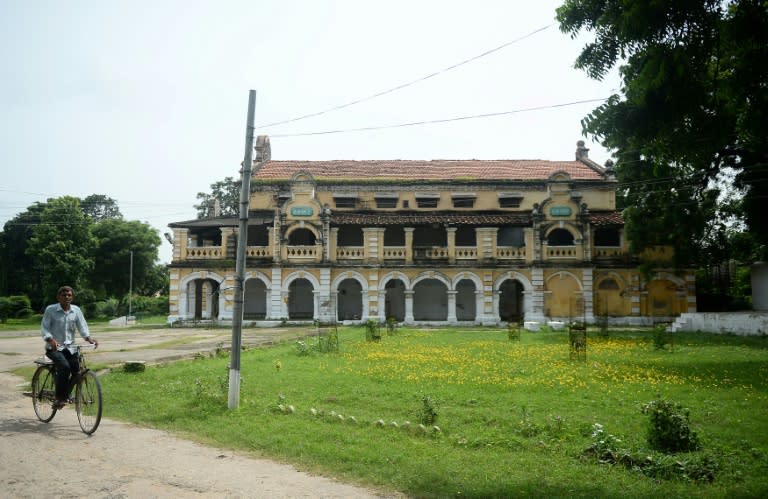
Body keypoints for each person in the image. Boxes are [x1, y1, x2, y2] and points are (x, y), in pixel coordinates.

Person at [40, 286, 98, 409]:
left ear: (72, 297)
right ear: (58, 297)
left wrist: (88, 338)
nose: (67, 297)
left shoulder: (76, 310)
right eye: (64, 295)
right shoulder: (51, 310)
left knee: (77, 372)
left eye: (69, 295)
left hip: (71, 349)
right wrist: (50, 339)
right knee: (65, 367)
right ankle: (59, 398)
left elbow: (82, 326)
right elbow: (44, 327)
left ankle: (66, 395)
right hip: (54, 349)